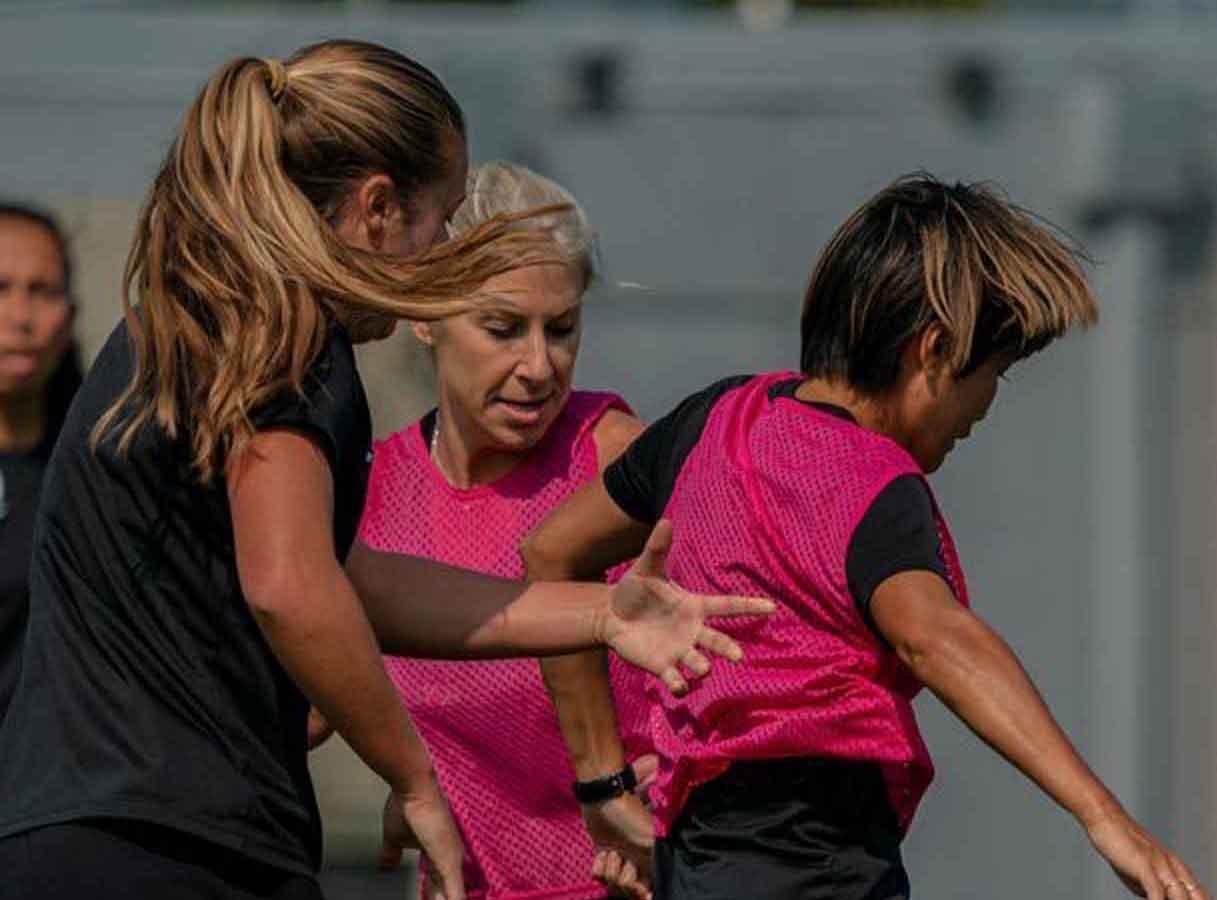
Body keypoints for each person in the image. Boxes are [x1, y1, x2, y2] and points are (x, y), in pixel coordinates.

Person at [0, 41, 766, 900]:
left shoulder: (193, 311)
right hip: (176, 844)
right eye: (440, 226)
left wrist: (602, 614)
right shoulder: (286, 332)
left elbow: (347, 582)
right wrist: (414, 776)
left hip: (72, 830)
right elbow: (289, 587)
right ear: (375, 208)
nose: (442, 255)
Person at [523, 174, 1209, 900]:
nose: (985, 408)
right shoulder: (877, 480)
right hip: (817, 861)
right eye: (994, 374)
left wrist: (602, 781)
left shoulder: (713, 421)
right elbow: (934, 636)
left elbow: (551, 551)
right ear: (935, 351)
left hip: (701, 857)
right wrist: (1104, 817)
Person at [353, 161, 654, 899]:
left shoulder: (619, 462)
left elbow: (749, 659)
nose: (538, 365)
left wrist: (675, 788)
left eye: (561, 328)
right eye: (502, 328)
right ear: (424, 314)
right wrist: (406, 777)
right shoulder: (372, 493)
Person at [0, 202, 83, 720]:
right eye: (0, 288)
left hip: (56, 790)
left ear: (70, 313)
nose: (22, 317)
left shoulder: (100, 469)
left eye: (43, 290)